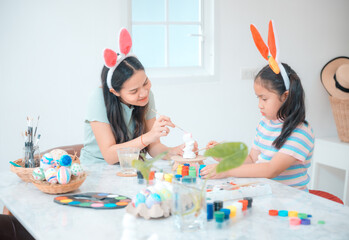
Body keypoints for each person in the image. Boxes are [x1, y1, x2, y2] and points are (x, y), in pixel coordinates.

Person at [80, 28, 195, 164]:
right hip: (97, 168)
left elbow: (154, 148)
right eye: (134, 91)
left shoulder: (147, 96)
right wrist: (149, 136)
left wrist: (175, 152)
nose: (144, 93)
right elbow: (110, 156)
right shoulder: (99, 99)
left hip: (131, 165)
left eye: (145, 82)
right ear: (115, 92)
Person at [201, 63, 315, 191]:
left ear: (285, 96)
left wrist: (227, 170)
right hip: (266, 193)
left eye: (264, 99)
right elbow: (251, 159)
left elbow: (271, 169)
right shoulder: (264, 124)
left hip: (291, 201)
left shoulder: (300, 132)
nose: (260, 105)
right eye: (258, 98)